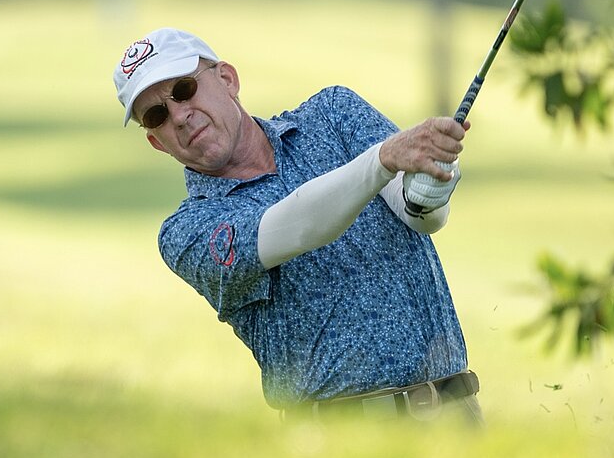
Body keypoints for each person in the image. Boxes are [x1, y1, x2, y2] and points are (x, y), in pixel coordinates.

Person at [113, 27, 482, 423]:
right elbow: (298, 225)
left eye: (184, 90)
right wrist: (383, 160)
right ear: (157, 142)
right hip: (335, 439)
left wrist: (432, 184)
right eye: (157, 115)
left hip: (454, 414)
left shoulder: (334, 113)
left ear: (227, 79)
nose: (180, 116)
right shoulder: (187, 231)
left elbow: (420, 215)